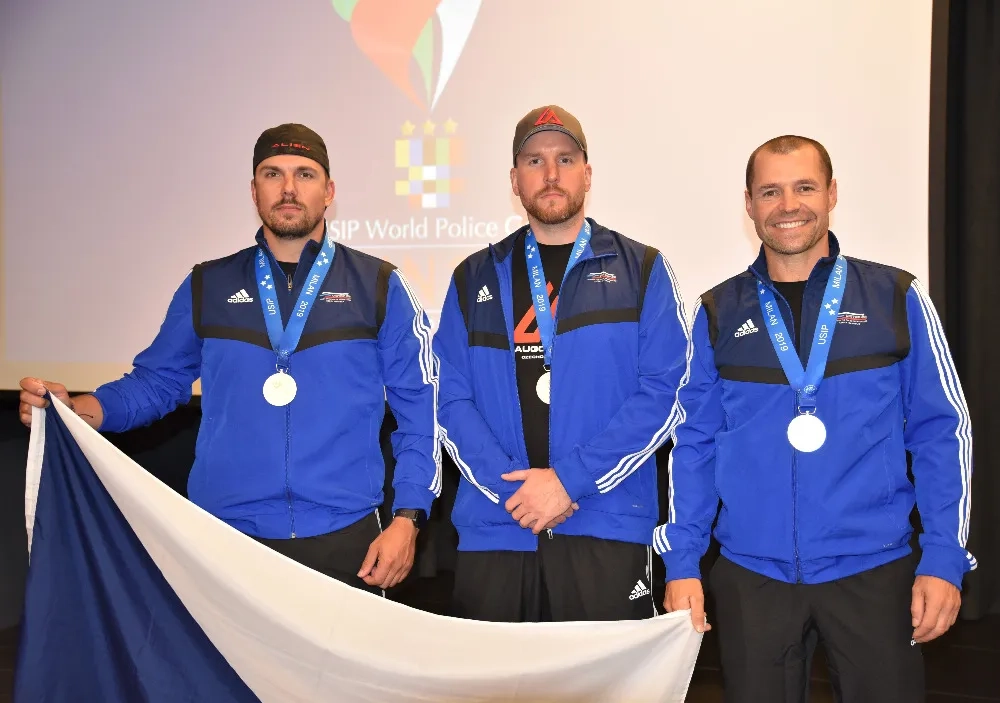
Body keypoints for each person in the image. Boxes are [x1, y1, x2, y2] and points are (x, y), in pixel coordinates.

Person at [19, 124, 440, 595]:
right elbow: (157, 383)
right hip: (226, 537)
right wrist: (74, 410)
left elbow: (419, 410)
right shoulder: (208, 284)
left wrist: (408, 517)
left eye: (305, 174)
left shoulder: (379, 285)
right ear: (254, 190)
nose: (288, 188)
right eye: (272, 174)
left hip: (346, 536)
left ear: (329, 192)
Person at [657, 135, 974, 701]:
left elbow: (941, 433)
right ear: (749, 204)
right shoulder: (716, 312)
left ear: (831, 194)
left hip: (874, 571)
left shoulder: (896, 297)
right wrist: (683, 562)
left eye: (804, 187)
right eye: (770, 191)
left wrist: (944, 557)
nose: (788, 205)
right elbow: (695, 444)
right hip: (753, 576)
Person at [433, 105, 690, 622]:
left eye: (565, 159)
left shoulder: (641, 269)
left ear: (587, 174)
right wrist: (519, 493)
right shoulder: (472, 277)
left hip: (606, 524)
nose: (551, 174)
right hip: (499, 527)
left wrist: (568, 482)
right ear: (514, 180)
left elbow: (666, 391)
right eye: (534, 161)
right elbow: (448, 398)